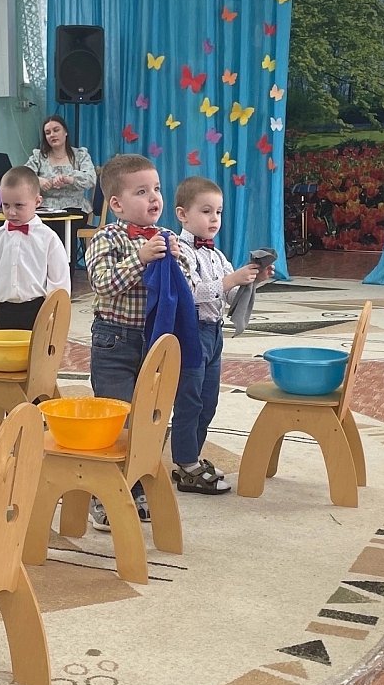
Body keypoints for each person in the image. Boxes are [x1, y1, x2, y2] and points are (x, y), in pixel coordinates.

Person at [83, 154, 192, 530]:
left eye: (156, 189)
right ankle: (103, 494)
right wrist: (141, 259)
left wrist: (178, 262)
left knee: (151, 416)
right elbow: (102, 283)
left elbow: (187, 287)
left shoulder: (169, 237)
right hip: (114, 342)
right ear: (116, 204)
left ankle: (139, 484)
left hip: (155, 341)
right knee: (117, 418)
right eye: (142, 191)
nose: (154, 197)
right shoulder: (106, 237)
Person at [170, 177, 264, 494]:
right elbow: (192, 293)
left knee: (208, 401)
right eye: (206, 211)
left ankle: (192, 458)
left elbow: (231, 296)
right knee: (189, 400)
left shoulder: (217, 255)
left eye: (219, 212)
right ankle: (185, 462)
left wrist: (253, 281)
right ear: (183, 215)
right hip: (190, 334)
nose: (214, 219)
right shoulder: (180, 251)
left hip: (213, 333)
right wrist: (231, 279)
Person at [0, 166, 71, 332]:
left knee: (34, 350)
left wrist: (54, 316)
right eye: (6, 205)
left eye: (19, 205)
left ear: (38, 202)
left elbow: (59, 282)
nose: (11, 212)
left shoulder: (49, 238)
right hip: (3, 311)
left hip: (37, 310)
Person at [25, 115, 98, 238]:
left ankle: (66, 251)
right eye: (48, 133)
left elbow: (91, 179)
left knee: (63, 226)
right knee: (38, 225)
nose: (52, 135)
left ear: (65, 132)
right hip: (45, 208)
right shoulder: (38, 156)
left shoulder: (80, 155)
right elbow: (23, 176)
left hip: (74, 208)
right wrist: (38, 180)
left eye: (56, 130)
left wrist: (70, 179)